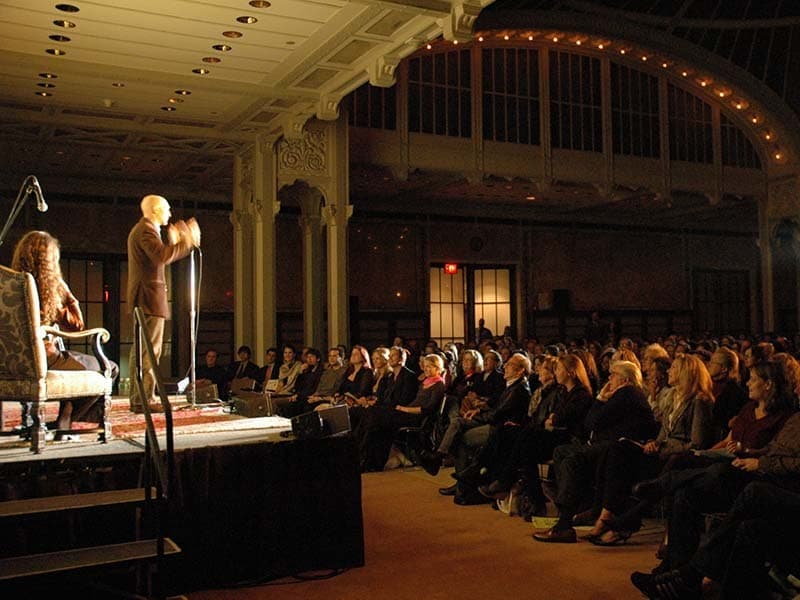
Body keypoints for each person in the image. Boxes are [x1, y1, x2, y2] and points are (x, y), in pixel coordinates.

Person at [12, 230, 119, 431]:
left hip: (12, 362)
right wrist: (68, 295)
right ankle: (66, 417)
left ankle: (62, 418)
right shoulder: (47, 291)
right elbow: (77, 325)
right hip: (45, 357)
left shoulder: (10, 287)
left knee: (78, 363)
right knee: (110, 368)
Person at [127, 194, 199, 414]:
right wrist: (187, 242)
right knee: (148, 351)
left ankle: (143, 397)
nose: (169, 213)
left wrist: (176, 242)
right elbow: (161, 257)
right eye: (167, 209)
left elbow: (159, 255)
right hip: (148, 297)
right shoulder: (146, 230)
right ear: (156, 210)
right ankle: (144, 399)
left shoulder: (144, 230)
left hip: (147, 297)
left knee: (146, 350)